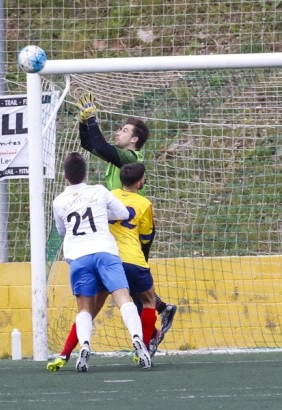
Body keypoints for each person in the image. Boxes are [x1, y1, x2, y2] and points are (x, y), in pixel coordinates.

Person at [76, 93, 177, 346]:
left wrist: (93, 120)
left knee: (124, 283)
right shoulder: (118, 160)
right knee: (125, 283)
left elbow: (99, 146)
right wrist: (83, 122)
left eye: (123, 130)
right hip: (118, 230)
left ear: (134, 139)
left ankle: (151, 330)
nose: (118, 133)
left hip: (131, 230)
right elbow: (90, 145)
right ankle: (159, 314)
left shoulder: (131, 159)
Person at [47, 162, 164, 371]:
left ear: (65, 177)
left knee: (85, 308)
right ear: (86, 174)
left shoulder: (58, 201)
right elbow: (124, 213)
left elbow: (62, 231)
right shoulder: (100, 191)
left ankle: (84, 347)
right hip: (105, 251)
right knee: (124, 299)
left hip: (78, 256)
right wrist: (101, 214)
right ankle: (139, 343)